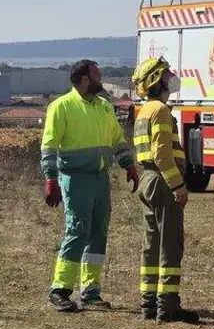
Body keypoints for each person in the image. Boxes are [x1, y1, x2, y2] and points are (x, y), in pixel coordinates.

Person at [41, 59, 140, 313]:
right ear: (84, 78)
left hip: (100, 178)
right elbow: (50, 145)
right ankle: (60, 290)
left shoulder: (104, 107)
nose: (101, 78)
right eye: (97, 74)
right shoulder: (61, 107)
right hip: (75, 179)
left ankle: (91, 291)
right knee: (77, 232)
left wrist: (128, 164)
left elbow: (117, 140)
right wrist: (50, 178)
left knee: (98, 233)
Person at [130, 56, 201, 324]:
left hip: (148, 180)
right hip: (161, 182)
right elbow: (162, 154)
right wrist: (178, 185)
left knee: (151, 244)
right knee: (170, 244)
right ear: (156, 81)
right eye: (166, 75)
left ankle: (148, 304)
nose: (171, 78)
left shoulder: (144, 111)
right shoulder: (160, 110)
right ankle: (167, 306)